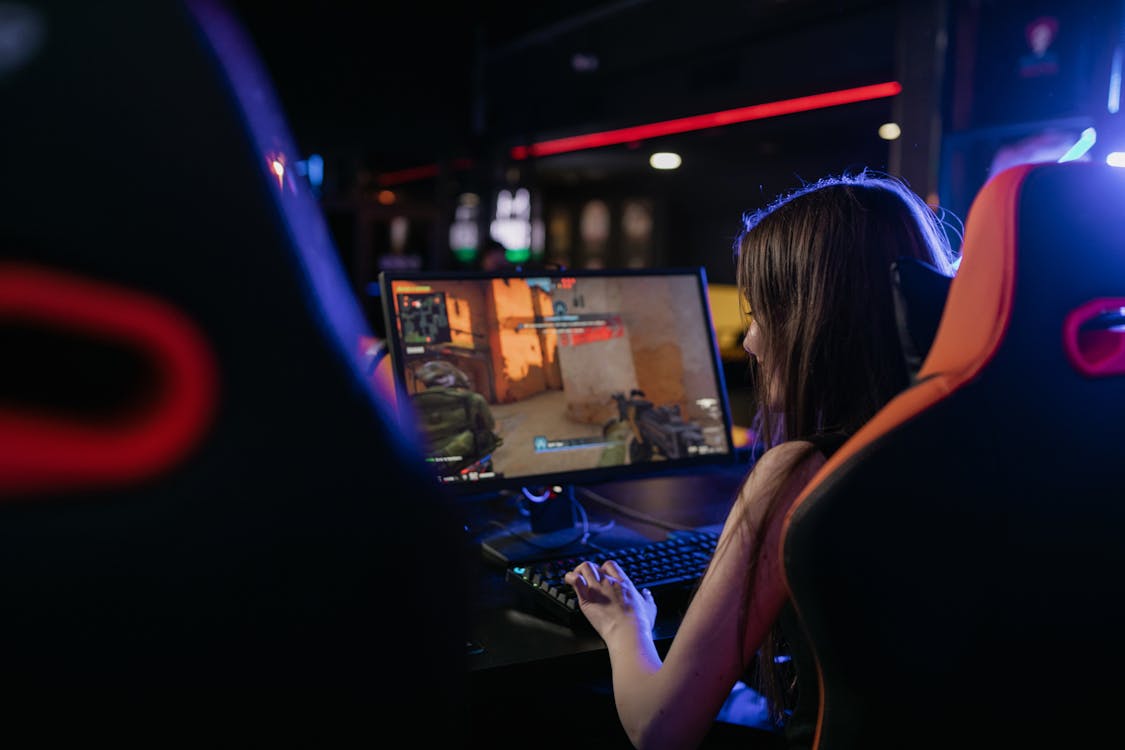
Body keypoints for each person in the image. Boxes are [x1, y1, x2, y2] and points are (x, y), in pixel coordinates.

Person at [564, 170, 958, 749]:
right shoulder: (961, 440)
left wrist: (626, 626)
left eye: (761, 312)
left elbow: (659, 727)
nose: (750, 342)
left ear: (817, 320)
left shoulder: (800, 472)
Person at [411, 359, 503, 473]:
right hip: (468, 463)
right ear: (452, 377)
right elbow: (489, 425)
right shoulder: (472, 399)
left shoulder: (410, 402)